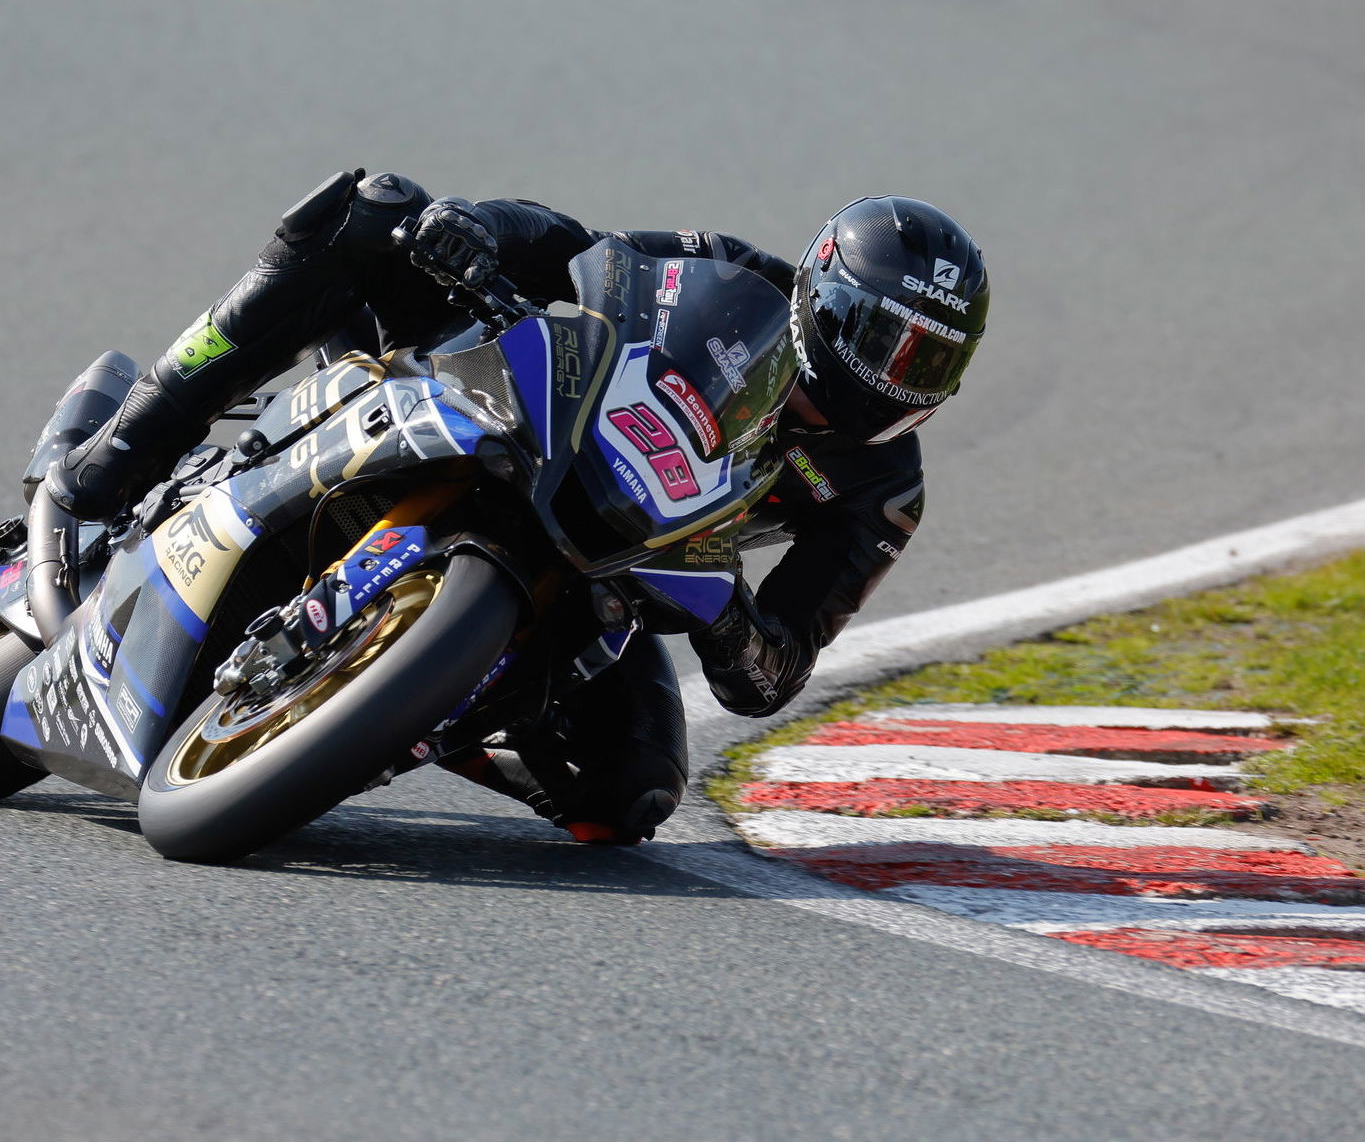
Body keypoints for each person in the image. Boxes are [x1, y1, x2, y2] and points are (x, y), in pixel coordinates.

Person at [45, 171, 989, 843]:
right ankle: (111, 463)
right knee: (372, 213)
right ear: (820, 298)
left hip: (615, 581)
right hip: (529, 429)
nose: (894, 378)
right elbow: (584, 253)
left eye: (928, 362)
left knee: (631, 796)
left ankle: (388, 712)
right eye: (882, 340)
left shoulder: (880, 494)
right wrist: (476, 229)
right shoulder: (735, 277)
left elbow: (771, 676)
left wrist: (733, 616)